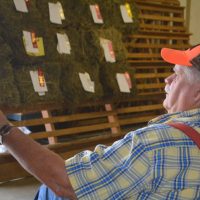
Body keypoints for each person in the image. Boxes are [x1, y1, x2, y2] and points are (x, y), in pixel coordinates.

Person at [1, 44, 200, 200]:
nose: (167, 79)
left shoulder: (155, 144)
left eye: (177, 74)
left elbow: (65, 183)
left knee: (52, 192)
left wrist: (5, 130)